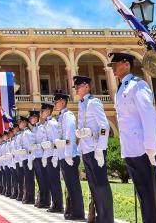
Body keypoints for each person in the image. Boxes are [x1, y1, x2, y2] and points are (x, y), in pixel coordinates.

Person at [110, 52, 156, 223]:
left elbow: (148, 116)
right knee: (143, 193)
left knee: (152, 193)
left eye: (115, 64)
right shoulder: (121, 89)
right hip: (130, 148)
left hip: (143, 148)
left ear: (126, 64)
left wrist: (151, 146)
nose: (113, 67)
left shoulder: (138, 85)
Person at [74, 75, 114, 223]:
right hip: (86, 150)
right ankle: (99, 216)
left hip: (95, 149)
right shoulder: (81, 104)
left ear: (86, 86)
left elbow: (104, 126)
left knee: (101, 184)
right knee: (94, 186)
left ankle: (107, 218)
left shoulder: (93, 102)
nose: (77, 89)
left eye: (78, 87)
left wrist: (100, 148)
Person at [54, 91, 85, 220]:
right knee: (69, 186)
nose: (55, 104)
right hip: (64, 155)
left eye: (56, 102)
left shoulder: (68, 115)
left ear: (62, 102)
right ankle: (73, 209)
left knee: (73, 185)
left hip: (70, 156)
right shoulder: (61, 116)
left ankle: (78, 213)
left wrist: (67, 153)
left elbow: (70, 136)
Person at [41, 101, 63, 213]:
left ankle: (58, 205)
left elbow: (56, 142)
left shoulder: (52, 124)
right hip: (48, 155)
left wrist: (55, 156)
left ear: (48, 111)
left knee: (55, 181)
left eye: (42, 111)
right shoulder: (47, 124)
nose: (41, 113)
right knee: (51, 181)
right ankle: (55, 203)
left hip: (53, 156)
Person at [30, 109, 50, 208]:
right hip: (36, 156)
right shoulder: (34, 129)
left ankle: (46, 200)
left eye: (33, 117)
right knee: (39, 180)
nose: (31, 119)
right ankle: (42, 199)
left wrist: (36, 146)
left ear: (37, 118)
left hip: (41, 156)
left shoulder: (41, 128)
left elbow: (43, 142)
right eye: (31, 117)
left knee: (43, 180)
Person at [20, 114, 36, 204]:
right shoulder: (24, 132)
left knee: (29, 179)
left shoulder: (27, 133)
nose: (19, 124)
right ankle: (28, 196)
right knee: (27, 179)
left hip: (28, 158)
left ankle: (30, 197)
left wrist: (30, 160)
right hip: (25, 158)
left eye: (21, 122)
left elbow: (30, 147)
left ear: (24, 123)